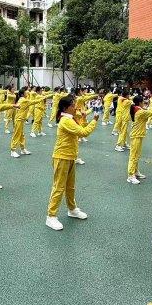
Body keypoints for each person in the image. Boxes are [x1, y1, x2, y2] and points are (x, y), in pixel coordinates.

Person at [45, 95, 99, 231]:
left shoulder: (70, 119)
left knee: (70, 186)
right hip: (62, 156)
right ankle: (51, 216)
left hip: (69, 156)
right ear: (66, 107)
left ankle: (72, 209)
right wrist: (94, 121)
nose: (75, 107)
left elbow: (80, 128)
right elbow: (83, 133)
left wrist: (85, 117)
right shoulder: (65, 120)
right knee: (59, 187)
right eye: (73, 105)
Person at [127, 95, 152, 184]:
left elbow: (148, 111)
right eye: (143, 101)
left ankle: (135, 171)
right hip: (136, 136)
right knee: (133, 156)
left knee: (137, 155)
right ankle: (130, 175)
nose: (144, 103)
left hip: (138, 135)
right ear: (140, 102)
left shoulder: (137, 109)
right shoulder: (140, 112)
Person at [10, 87, 42, 158]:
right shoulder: (23, 100)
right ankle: (13, 150)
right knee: (17, 135)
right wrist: (41, 98)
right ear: (22, 94)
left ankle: (23, 149)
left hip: (21, 119)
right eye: (25, 92)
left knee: (22, 135)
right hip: (19, 120)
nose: (27, 93)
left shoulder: (22, 99)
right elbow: (33, 102)